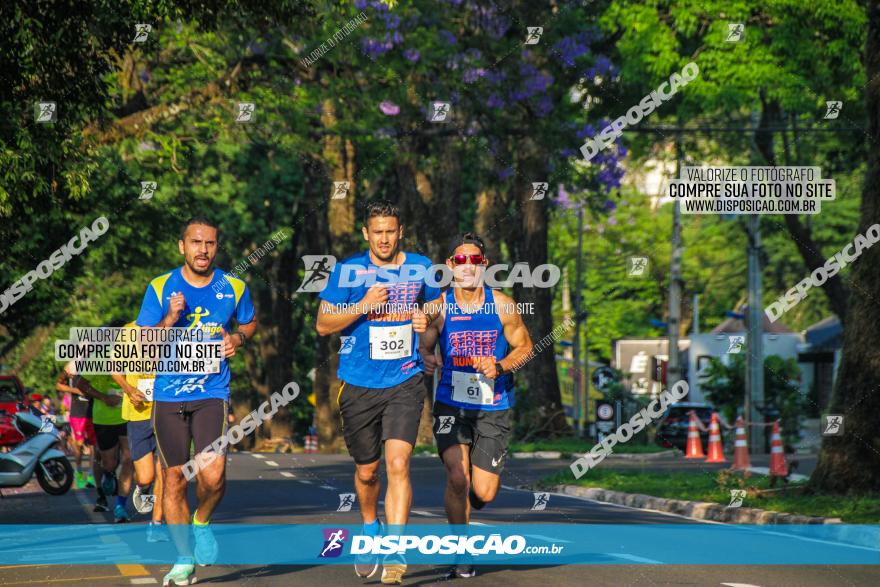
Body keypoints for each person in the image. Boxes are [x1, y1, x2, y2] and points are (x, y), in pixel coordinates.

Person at [315, 199, 441, 585]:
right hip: (358, 383)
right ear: (366, 234)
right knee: (367, 472)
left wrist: (427, 321)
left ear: (400, 231)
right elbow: (323, 324)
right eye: (377, 232)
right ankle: (371, 528)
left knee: (399, 464)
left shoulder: (420, 267)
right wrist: (364, 305)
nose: (384, 238)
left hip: (405, 379)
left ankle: (396, 550)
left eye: (391, 231)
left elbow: (438, 307)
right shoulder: (347, 271)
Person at [136, 216, 256, 587]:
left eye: (210, 244)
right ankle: (183, 558)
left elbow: (249, 323)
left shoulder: (234, 286)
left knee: (213, 476)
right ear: (182, 246)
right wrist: (171, 317)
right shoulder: (160, 287)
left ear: (217, 247)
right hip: (169, 396)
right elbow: (142, 343)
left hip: (212, 394)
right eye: (196, 243)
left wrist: (237, 338)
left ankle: (201, 520)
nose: (203, 250)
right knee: (172, 479)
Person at [419, 232, 534, 580]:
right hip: (450, 404)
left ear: (483, 265)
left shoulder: (502, 304)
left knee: (483, 490)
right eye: (461, 260)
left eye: (475, 260)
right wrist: (427, 351)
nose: (467, 266)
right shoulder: (439, 306)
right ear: (451, 265)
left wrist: (498, 366)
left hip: (493, 404)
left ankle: (473, 498)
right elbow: (424, 346)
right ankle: (461, 552)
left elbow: (525, 348)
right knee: (457, 477)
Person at [111, 321, 169, 543]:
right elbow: (115, 370)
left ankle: (156, 524)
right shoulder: (128, 331)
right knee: (146, 476)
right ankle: (143, 489)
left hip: (166, 410)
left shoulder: (174, 328)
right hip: (138, 413)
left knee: (165, 470)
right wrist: (129, 390)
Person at [55, 365, 98, 490]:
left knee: (93, 445)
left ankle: (90, 474)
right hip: (77, 412)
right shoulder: (71, 366)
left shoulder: (96, 363)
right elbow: (58, 385)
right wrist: (76, 390)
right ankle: (78, 471)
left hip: (92, 411)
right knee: (78, 444)